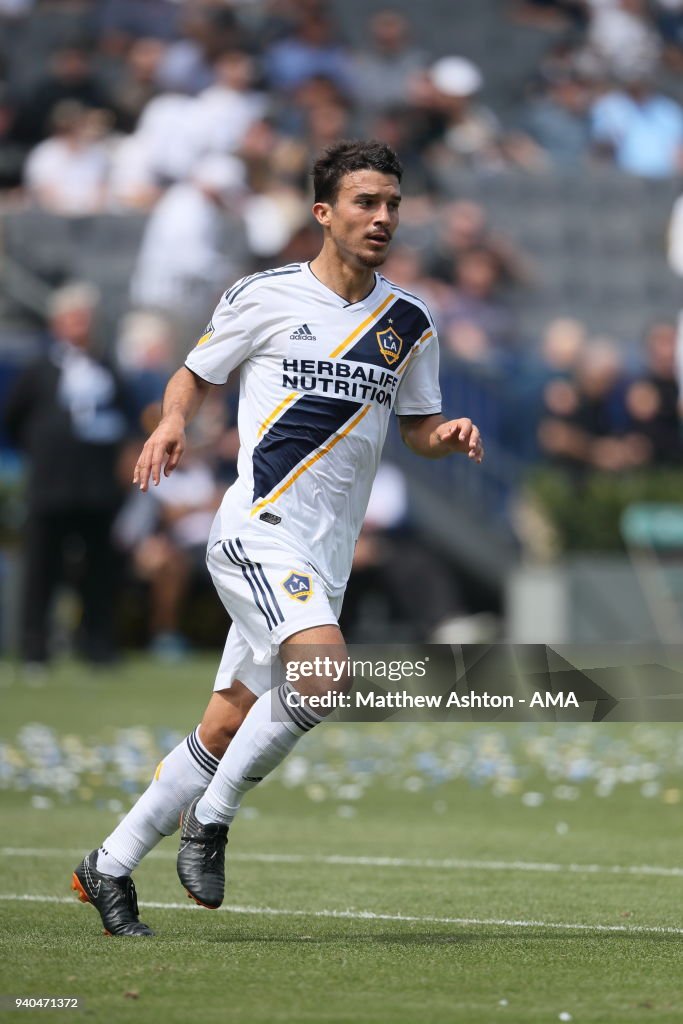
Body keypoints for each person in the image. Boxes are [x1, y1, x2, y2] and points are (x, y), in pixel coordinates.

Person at [71, 140, 484, 936]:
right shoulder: (262, 295)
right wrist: (170, 422)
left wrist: (448, 434)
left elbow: (418, 427)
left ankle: (110, 865)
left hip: (322, 559)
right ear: (322, 212)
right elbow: (194, 372)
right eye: (365, 202)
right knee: (324, 673)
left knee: (226, 722)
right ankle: (212, 820)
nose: (383, 218)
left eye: (392, 203)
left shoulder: (408, 320)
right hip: (257, 533)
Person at [3, 282, 132, 666]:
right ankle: (34, 647)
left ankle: (97, 645)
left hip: (96, 488)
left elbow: (126, 417)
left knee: (98, 571)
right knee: (42, 569)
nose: (81, 326)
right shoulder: (39, 369)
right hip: (51, 486)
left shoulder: (106, 367)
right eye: (74, 318)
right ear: (57, 322)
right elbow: (14, 418)